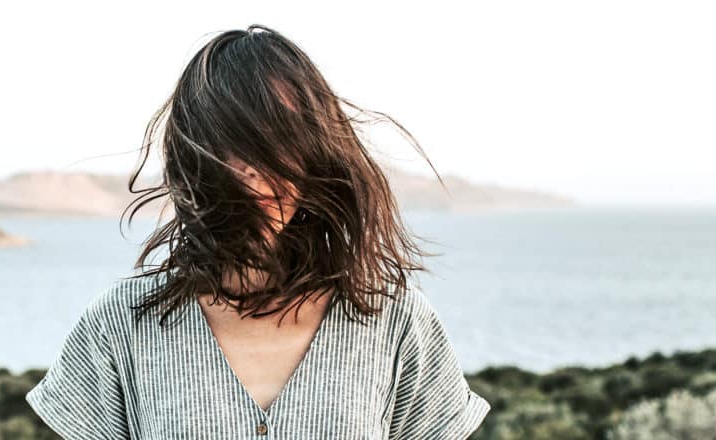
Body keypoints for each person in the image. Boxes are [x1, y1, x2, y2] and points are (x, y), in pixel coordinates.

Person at [25, 23, 491, 439]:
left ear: (315, 153)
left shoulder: (396, 321)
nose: (257, 171)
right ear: (195, 157)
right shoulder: (120, 325)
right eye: (234, 142)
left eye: (280, 139)